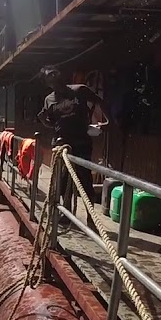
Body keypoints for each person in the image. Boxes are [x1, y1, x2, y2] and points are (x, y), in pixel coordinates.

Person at [37, 66, 109, 223]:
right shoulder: (48, 100)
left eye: (55, 72)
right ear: (46, 82)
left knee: (85, 181)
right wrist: (43, 120)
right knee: (63, 181)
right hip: (61, 145)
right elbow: (51, 123)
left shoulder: (79, 90)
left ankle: (91, 218)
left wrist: (107, 121)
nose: (54, 75)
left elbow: (99, 101)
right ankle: (67, 213)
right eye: (50, 75)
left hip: (81, 143)